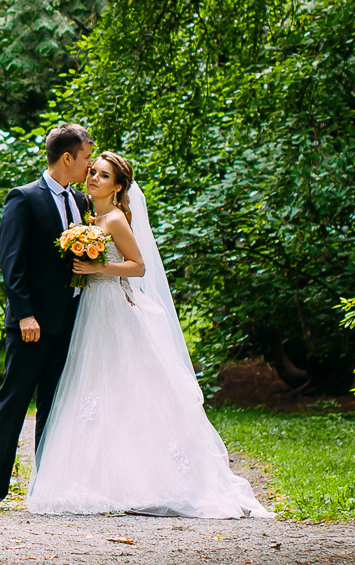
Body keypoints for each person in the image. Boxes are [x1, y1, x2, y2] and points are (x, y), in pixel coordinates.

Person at [26, 150, 271, 519]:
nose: (93, 178)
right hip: (90, 310)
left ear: (119, 186)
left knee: (126, 386)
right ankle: (95, 480)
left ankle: (149, 481)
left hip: (111, 307)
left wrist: (99, 266)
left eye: (103, 176)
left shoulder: (116, 220)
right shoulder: (88, 217)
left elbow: (137, 267)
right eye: (92, 172)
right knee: (92, 387)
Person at [0, 123, 93, 512]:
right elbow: (12, 264)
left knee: (55, 405)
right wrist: (24, 314)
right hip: (33, 324)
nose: (89, 166)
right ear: (67, 157)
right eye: (87, 158)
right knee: (13, 401)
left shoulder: (81, 202)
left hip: (71, 319)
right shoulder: (24, 199)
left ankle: (48, 485)